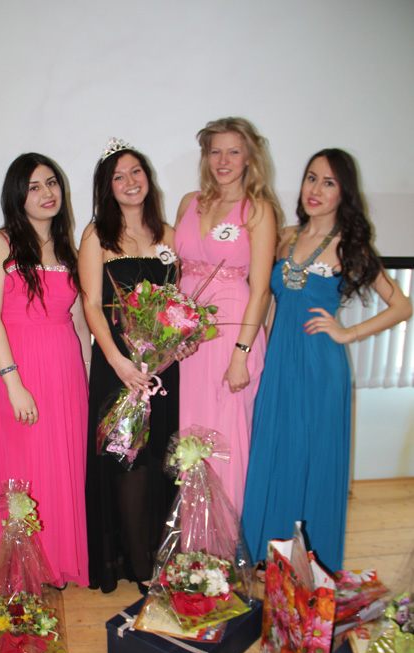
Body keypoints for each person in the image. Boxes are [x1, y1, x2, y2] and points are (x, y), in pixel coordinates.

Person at [242, 148, 412, 574]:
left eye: (329, 182)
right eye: (311, 178)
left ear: (343, 193)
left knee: (313, 458)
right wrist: (262, 354)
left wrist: (347, 333)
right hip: (280, 363)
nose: (316, 189)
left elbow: (402, 306)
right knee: (277, 451)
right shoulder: (285, 236)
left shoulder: (350, 246)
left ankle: (310, 564)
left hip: (320, 367)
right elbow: (271, 304)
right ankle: (270, 555)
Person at [0, 153, 91, 588]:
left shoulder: (67, 249)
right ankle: (25, 567)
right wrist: (13, 384)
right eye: (34, 186)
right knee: (24, 468)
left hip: (66, 374)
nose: (47, 193)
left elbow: (78, 322)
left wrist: (88, 378)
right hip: (19, 372)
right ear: (17, 196)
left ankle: (60, 561)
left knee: (64, 469)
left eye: (52, 183)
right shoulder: (0, 243)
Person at [78, 138, 179, 593]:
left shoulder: (168, 234)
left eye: (136, 171)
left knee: (158, 461)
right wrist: (118, 362)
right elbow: (91, 305)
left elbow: (177, 304)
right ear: (107, 187)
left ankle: (160, 557)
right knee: (128, 463)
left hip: (161, 368)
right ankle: (137, 564)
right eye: (118, 176)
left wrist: (175, 347)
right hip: (119, 369)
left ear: (148, 177)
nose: (130, 181)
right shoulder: (97, 235)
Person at [175, 117, 282, 516]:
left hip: (234, 333)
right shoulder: (189, 202)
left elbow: (262, 290)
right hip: (190, 341)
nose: (223, 160)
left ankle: (227, 542)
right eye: (215, 151)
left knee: (228, 440)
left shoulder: (258, 210)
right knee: (192, 432)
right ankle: (195, 537)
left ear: (249, 157)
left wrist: (241, 354)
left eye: (233, 152)